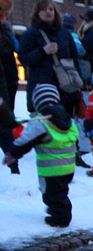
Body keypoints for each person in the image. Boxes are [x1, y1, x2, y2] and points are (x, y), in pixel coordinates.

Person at [2, 84, 78, 227]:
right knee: (61, 192)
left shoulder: (40, 123)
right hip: (68, 167)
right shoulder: (68, 120)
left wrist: (13, 153)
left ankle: (60, 219)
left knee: (52, 195)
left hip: (51, 169)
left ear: (37, 102)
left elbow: (26, 141)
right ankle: (59, 211)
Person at [18, 0, 81, 115]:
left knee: (66, 127)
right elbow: (24, 58)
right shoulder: (30, 34)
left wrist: (77, 82)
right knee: (43, 129)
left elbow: (74, 59)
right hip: (42, 91)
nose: (48, 12)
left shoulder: (65, 34)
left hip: (66, 90)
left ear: (55, 12)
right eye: (43, 9)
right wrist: (43, 51)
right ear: (37, 13)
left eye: (51, 9)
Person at [0, 0, 19, 175]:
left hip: (5, 84)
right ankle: (14, 166)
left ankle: (14, 166)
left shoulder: (6, 33)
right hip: (4, 85)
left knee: (4, 127)